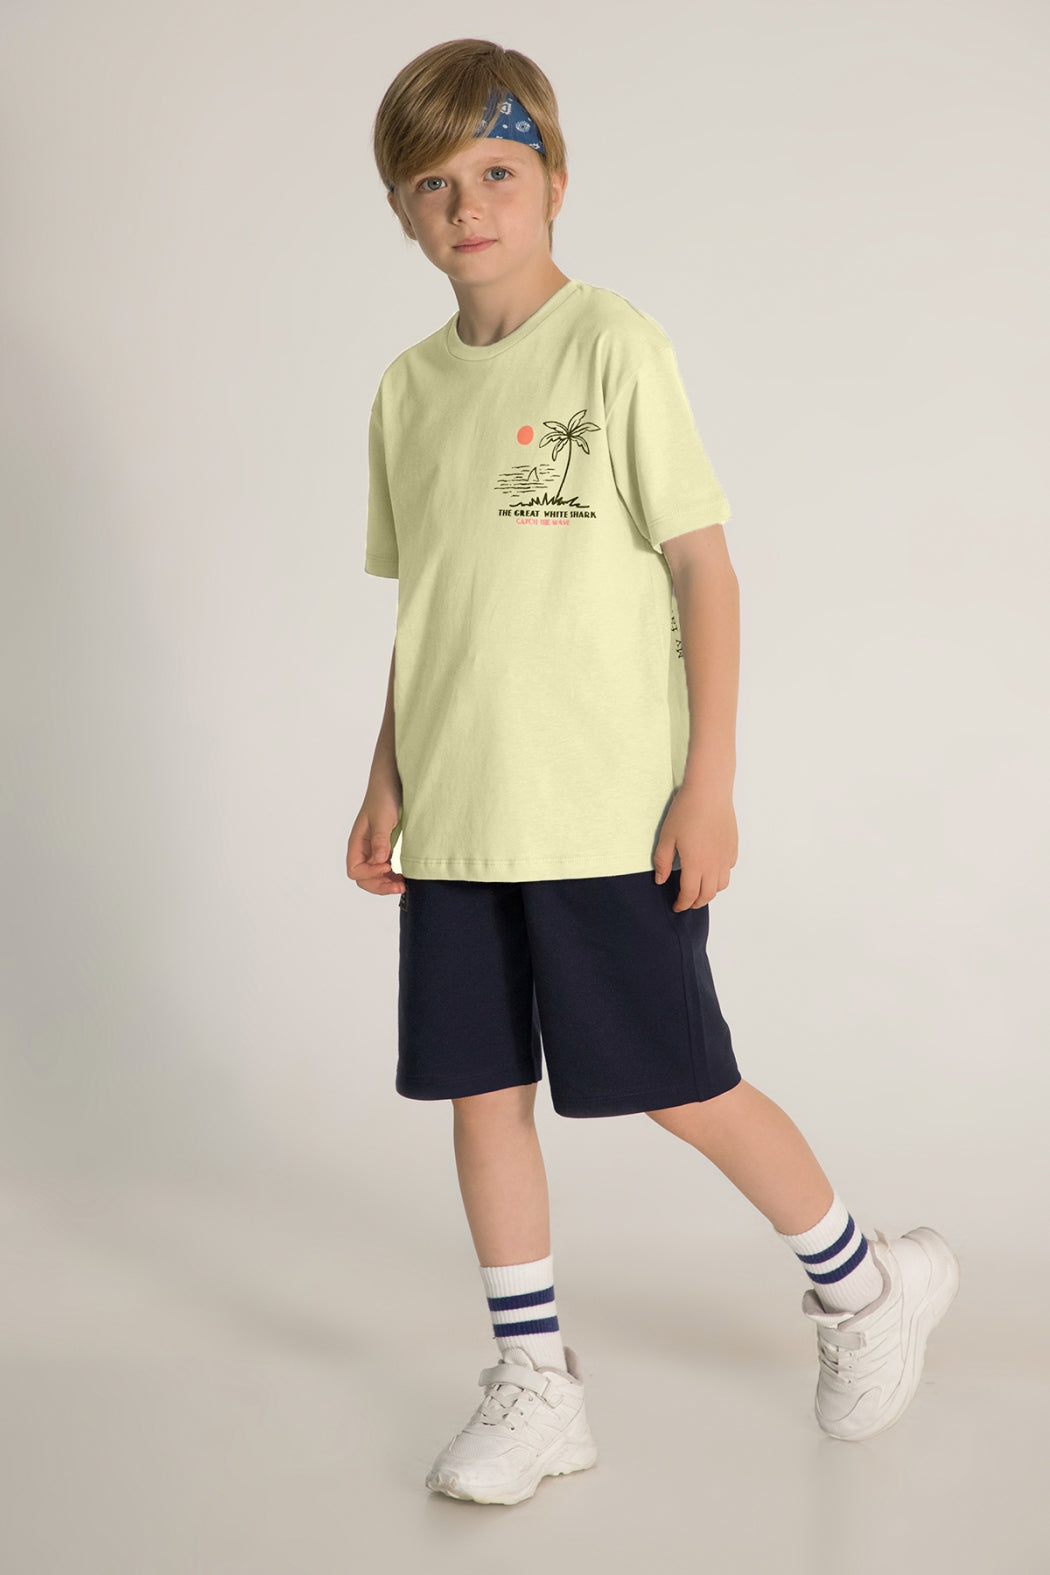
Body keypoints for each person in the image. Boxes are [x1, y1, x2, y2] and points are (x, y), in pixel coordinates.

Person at [347, 38, 960, 1505]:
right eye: (433, 184)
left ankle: (866, 1285)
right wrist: (385, 776)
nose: (468, 205)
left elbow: (704, 570)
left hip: (604, 807)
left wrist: (708, 782)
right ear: (402, 212)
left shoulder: (613, 346)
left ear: (554, 180)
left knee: (679, 1083)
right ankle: (536, 1384)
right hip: (460, 816)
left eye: (497, 171)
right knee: (480, 1092)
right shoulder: (406, 393)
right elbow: (430, 607)